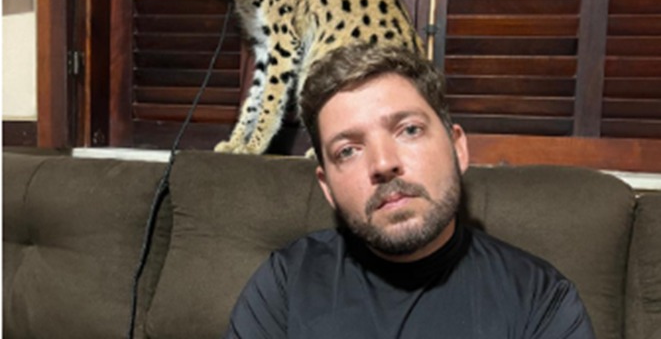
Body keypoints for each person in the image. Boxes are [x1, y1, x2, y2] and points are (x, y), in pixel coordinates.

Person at [225, 44, 595, 338]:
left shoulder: (540, 300)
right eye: (348, 150)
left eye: (409, 130)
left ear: (458, 149)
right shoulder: (286, 284)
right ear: (327, 187)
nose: (383, 163)